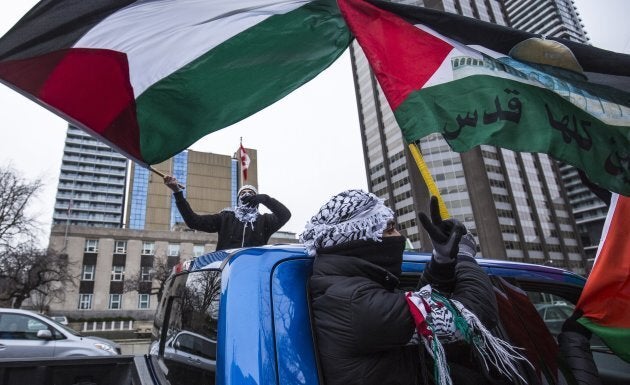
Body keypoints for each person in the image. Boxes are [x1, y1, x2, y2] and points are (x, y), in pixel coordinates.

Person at [303, 190, 526, 385]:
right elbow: (475, 315)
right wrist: (465, 257)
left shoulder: (348, 290)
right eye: (389, 230)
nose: (399, 236)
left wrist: (442, 260)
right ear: (359, 240)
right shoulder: (357, 304)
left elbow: (423, 306)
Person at [164, 175, 291, 250]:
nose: (246, 195)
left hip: (253, 271)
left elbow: (285, 215)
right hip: (226, 272)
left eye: (251, 194)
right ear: (238, 199)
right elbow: (193, 221)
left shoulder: (264, 221)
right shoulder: (225, 218)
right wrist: (177, 192)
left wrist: (265, 199)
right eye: (242, 193)